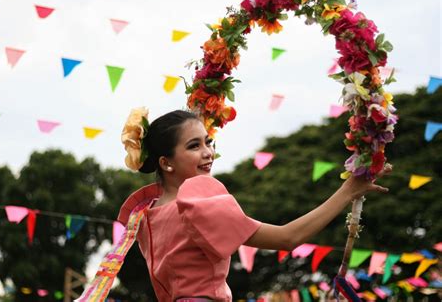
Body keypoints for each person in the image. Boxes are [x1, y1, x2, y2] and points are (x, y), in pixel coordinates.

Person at [80, 108, 392, 302]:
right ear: (166, 162)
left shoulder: (146, 212)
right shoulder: (197, 198)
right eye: (194, 146)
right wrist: (348, 190)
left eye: (208, 142)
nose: (208, 153)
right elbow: (287, 238)